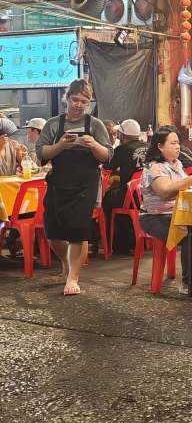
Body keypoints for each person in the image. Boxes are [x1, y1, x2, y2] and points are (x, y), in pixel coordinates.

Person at [36, 79, 112, 296]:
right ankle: (67, 263)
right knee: (52, 231)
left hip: (85, 185)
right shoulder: (53, 124)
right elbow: (41, 154)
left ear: (89, 103)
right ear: (67, 99)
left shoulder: (95, 125)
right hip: (59, 183)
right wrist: (61, 145)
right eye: (75, 99)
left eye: (84, 101)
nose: (79, 104)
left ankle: (73, 277)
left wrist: (93, 144)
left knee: (79, 230)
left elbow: (107, 157)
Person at [139, 127, 192, 295]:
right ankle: (187, 282)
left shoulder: (176, 164)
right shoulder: (154, 168)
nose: (178, 147)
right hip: (155, 217)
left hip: (179, 213)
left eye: (178, 143)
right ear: (160, 146)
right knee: (191, 233)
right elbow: (165, 192)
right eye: (173, 143)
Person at [102, 119, 147, 254]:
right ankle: (136, 241)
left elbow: (107, 166)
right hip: (147, 196)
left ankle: (116, 244)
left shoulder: (122, 149)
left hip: (130, 197)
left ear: (123, 135)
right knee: (118, 197)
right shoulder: (149, 146)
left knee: (106, 200)